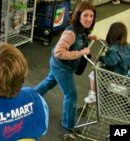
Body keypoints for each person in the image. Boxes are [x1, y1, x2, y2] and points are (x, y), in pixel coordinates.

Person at [34, 1, 97, 130]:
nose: (89, 19)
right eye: (85, 15)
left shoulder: (81, 30)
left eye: (91, 16)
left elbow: (79, 38)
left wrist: (88, 37)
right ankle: (68, 125)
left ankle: (29, 98)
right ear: (78, 15)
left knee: (49, 83)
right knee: (71, 95)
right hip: (62, 67)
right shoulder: (71, 33)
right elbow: (58, 52)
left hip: (61, 65)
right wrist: (80, 52)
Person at [84, 22, 130, 103]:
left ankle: (93, 95)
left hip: (116, 75)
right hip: (125, 73)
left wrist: (102, 58)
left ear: (111, 35)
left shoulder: (113, 49)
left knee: (93, 74)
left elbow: (112, 61)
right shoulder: (128, 46)